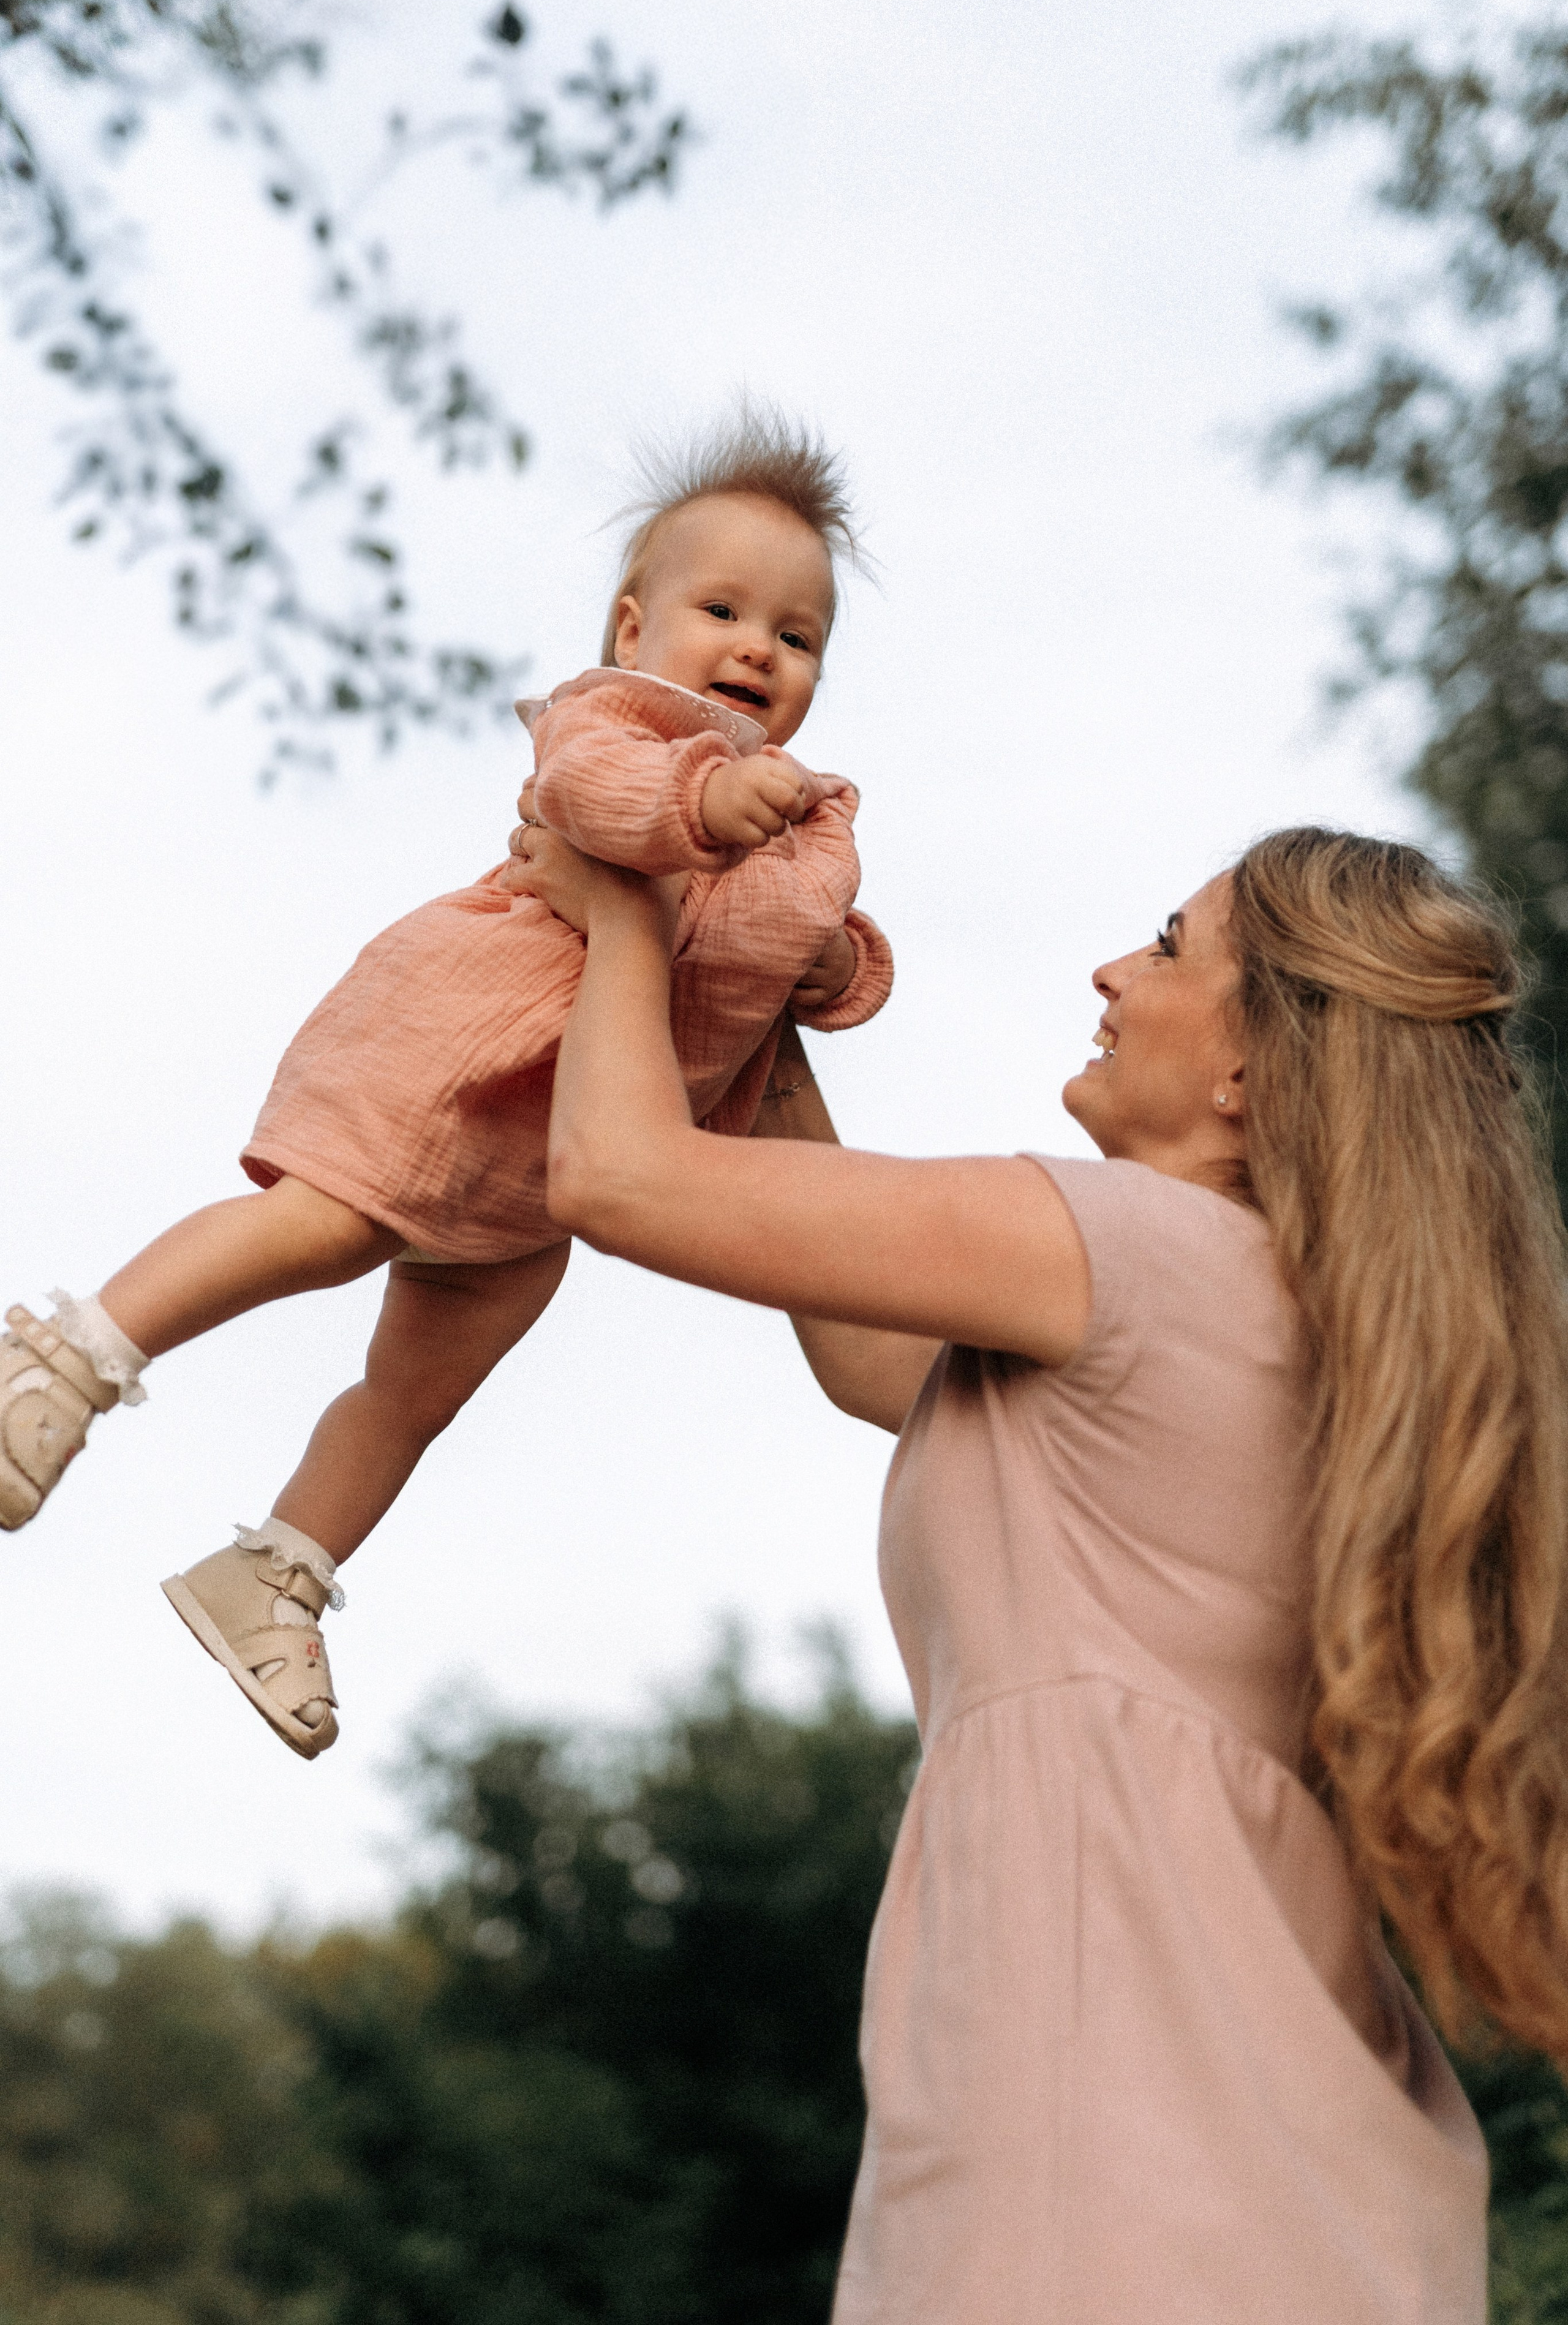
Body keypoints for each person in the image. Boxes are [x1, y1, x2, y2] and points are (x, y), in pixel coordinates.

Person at [506, 813, 1568, 2320]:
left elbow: (612, 1174)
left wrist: (621, 903)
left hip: (1105, 2112)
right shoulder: (1319, 1334)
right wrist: (739, 1006)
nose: (1110, 972)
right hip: (1290, 2158)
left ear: (1249, 1070)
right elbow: (873, 1350)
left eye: (1165, 945)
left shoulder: (1115, 1249)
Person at [0, 410, 892, 1758]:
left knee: (420, 1390)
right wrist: (703, 814)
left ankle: (279, 1570)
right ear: (627, 628)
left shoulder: (808, 816)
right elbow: (595, 799)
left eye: (798, 635)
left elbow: (799, 965)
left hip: (543, 1168)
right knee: (323, 1226)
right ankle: (67, 1356)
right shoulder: (620, 726)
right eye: (723, 609)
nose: (759, 649)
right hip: (456, 1050)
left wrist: (831, 961)